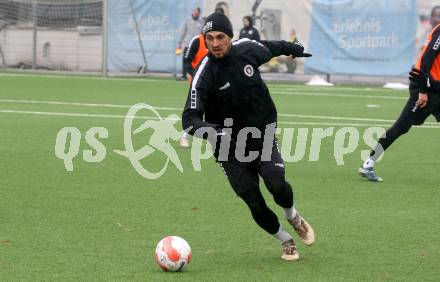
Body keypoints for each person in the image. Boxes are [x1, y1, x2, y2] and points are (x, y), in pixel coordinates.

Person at [182, 12, 315, 261]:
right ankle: (285, 240)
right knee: (253, 200)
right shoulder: (204, 74)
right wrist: (217, 132)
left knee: (277, 185)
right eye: (209, 38)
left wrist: (293, 48)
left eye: (220, 37)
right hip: (228, 148)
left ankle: (293, 215)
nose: (215, 43)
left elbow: (271, 47)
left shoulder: (247, 49)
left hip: (260, 133)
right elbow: (189, 119)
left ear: (230, 36)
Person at [359, 6, 440, 182]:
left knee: (403, 126)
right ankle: (369, 163)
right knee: (401, 127)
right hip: (425, 88)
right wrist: (423, 91)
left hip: (436, 89)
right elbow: (426, 59)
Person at [179, 33, 209, 148]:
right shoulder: (197, 40)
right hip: (198, 84)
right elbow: (186, 61)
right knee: (195, 110)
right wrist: (196, 75)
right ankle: (184, 137)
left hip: (214, 82)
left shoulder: (218, 42)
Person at [177, 7, 204, 81]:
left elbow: (203, 33)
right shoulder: (187, 21)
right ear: (192, 12)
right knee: (185, 60)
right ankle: (184, 75)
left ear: (199, 13)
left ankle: (197, 75)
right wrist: (179, 43)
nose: (195, 13)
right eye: (194, 12)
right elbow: (182, 32)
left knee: (198, 60)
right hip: (187, 44)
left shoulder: (202, 22)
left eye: (197, 12)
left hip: (197, 45)